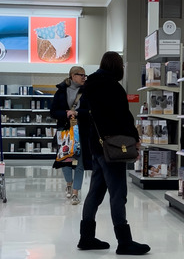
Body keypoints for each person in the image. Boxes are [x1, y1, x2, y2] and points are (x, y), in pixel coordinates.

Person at [76, 51, 150, 255]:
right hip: (114, 147)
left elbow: (85, 117)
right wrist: (135, 138)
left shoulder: (88, 86)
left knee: (95, 193)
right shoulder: (114, 87)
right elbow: (123, 117)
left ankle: (86, 237)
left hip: (97, 146)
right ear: (116, 67)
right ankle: (124, 241)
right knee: (118, 194)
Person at [50, 66, 87, 205]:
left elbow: (90, 111)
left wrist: (77, 113)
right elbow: (53, 112)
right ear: (72, 76)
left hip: (80, 130)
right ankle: (69, 183)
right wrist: (66, 113)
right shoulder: (61, 91)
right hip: (64, 130)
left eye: (85, 75)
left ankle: (76, 192)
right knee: (65, 159)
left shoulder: (87, 92)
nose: (84, 77)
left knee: (80, 161)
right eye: (81, 75)